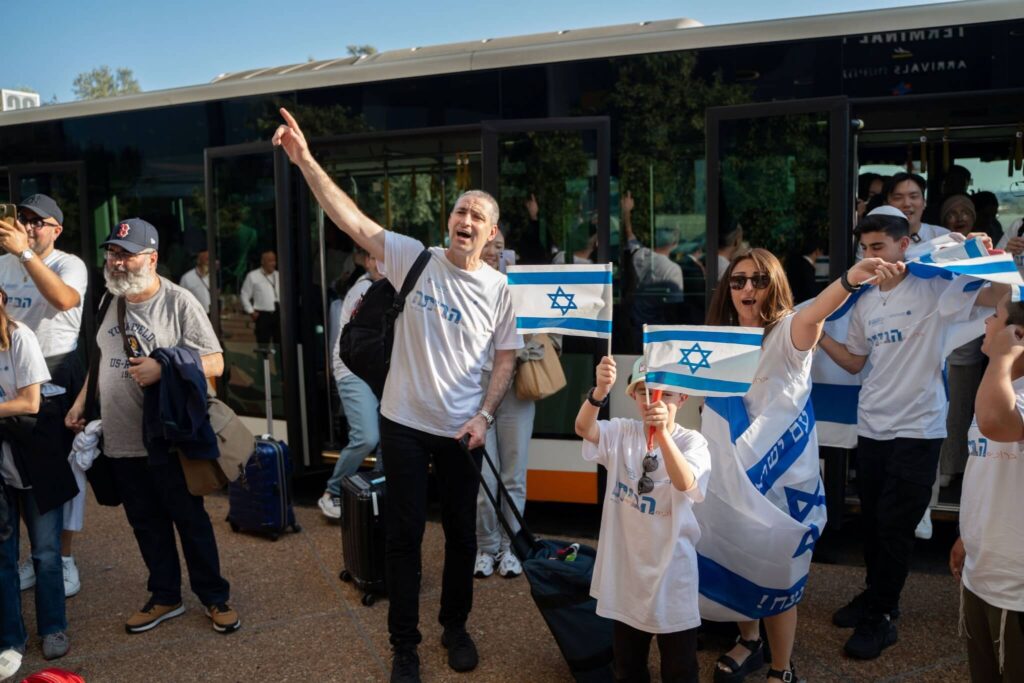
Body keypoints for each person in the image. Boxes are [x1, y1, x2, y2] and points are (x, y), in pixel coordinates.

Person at [273, 108, 521, 683]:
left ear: (491, 235)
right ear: (449, 221)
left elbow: (506, 357)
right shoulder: (415, 257)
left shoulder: (500, 289)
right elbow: (352, 220)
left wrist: (485, 416)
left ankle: (455, 628)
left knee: (461, 536)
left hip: (462, 432)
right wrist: (305, 161)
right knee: (404, 536)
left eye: (477, 216)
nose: (466, 219)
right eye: (460, 210)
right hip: (403, 423)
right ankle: (403, 646)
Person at [819, 209, 1005, 660]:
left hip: (918, 428)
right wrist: (816, 330)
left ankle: (882, 616)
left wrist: (987, 257)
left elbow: (998, 296)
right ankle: (875, 594)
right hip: (872, 426)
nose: (871, 257)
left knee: (895, 527)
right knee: (872, 523)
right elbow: (855, 362)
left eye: (879, 247)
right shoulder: (864, 300)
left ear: (905, 245)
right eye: (865, 249)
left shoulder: (933, 288)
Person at [706, 247, 898, 682]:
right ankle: (750, 641)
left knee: (778, 573)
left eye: (758, 280)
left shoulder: (789, 331)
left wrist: (849, 279)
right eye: (738, 280)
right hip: (734, 476)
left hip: (782, 480)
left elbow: (817, 312)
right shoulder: (720, 340)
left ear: (773, 285)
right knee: (738, 559)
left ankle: (782, 667)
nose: (748, 288)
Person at [63, 219, 240, 636]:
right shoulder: (109, 299)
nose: (116, 262)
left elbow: (216, 362)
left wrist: (164, 367)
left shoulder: (178, 302)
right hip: (121, 439)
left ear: (152, 258)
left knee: (190, 521)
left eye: (126, 255)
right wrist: (81, 401)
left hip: (168, 439)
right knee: (145, 525)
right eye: (113, 253)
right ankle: (165, 596)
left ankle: (215, 597)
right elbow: (101, 358)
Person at [575, 356, 709, 683]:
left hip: (673, 577)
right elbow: (584, 428)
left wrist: (662, 434)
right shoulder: (622, 432)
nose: (654, 401)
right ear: (633, 396)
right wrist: (599, 391)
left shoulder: (692, 442)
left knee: (680, 668)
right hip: (627, 577)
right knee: (628, 666)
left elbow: (686, 483)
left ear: (682, 398)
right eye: (644, 392)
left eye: (666, 394)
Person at [0, 194, 89, 600]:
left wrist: (24, 254)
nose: (30, 226)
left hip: (57, 370)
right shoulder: (4, 262)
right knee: (16, 471)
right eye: (24, 218)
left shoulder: (69, 264)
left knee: (62, 472)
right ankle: (34, 556)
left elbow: (64, 299)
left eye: (39, 221)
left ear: (57, 230)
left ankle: (63, 557)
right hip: (11, 371)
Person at [949, 293, 1024, 681]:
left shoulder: (1007, 383)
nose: (986, 323)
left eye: (995, 317)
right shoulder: (999, 382)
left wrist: (1001, 357)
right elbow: (988, 470)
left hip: (1017, 590)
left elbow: (996, 423)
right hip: (982, 572)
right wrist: (969, 534)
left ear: (1017, 333)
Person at [0, 287, 69, 681]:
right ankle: (11, 638)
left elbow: (31, 402)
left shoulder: (19, 337)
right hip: (2, 462)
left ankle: (53, 627)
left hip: (35, 457)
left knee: (45, 552)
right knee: (2, 556)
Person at [473, 229, 535, 580]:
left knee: (514, 475)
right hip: (474, 389)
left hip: (516, 387)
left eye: (498, 246)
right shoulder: (463, 285)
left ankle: (511, 548)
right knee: (485, 478)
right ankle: (486, 546)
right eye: (487, 245)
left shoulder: (521, 287)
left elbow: (545, 328)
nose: (493, 251)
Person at [319, 248, 384, 520]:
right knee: (367, 437)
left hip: (379, 371)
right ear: (368, 261)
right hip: (353, 370)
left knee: (391, 437)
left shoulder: (390, 287)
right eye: (377, 258)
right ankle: (332, 491)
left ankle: (379, 493)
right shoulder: (363, 290)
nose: (383, 264)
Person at [937, 195, 985, 490]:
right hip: (940, 349)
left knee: (961, 414)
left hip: (972, 351)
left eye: (965, 212)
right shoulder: (938, 252)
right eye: (952, 213)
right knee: (944, 413)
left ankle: (954, 467)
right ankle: (943, 468)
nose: (959, 217)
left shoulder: (984, 250)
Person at [883, 173, 949, 257]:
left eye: (913, 196)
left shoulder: (942, 236)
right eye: (898, 198)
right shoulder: (874, 239)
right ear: (886, 205)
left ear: (924, 202)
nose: (907, 204)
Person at [239, 250, 280, 346]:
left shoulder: (279, 275)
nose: (273, 263)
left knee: (280, 343)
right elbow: (244, 294)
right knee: (263, 344)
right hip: (262, 315)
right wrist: (251, 311)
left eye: (274, 260)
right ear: (263, 262)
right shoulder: (253, 276)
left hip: (278, 313)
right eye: (270, 261)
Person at [179, 248, 211, 314]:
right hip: (195, 315)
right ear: (198, 259)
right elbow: (181, 301)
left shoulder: (215, 277)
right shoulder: (187, 278)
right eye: (206, 259)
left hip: (214, 315)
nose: (208, 262)